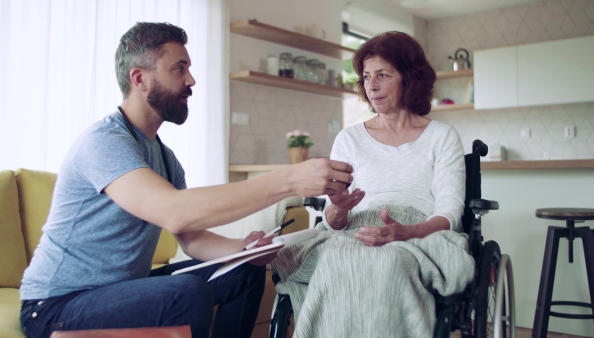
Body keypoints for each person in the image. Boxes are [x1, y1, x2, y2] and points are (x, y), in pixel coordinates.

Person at [19, 22, 353, 338]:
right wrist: (290, 179)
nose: (191, 80)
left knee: (245, 272)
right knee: (186, 292)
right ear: (140, 78)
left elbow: (190, 236)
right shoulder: (105, 142)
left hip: (116, 291)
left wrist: (244, 250)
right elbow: (175, 212)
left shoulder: (164, 158)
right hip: (56, 305)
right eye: (179, 69)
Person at [270, 31, 474, 338]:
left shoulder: (442, 137)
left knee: (391, 263)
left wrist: (405, 232)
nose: (372, 85)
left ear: (409, 78)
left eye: (382, 75)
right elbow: (335, 222)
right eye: (366, 77)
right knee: (337, 257)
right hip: (356, 230)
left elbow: (449, 211)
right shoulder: (349, 139)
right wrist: (337, 209)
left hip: (417, 232)